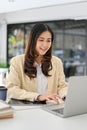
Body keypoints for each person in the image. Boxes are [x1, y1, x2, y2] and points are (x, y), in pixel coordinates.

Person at [6, 23, 68, 104]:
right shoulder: (17, 62)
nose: (45, 45)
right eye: (41, 40)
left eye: (48, 40)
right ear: (33, 40)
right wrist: (38, 96)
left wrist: (66, 95)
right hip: (28, 109)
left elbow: (62, 86)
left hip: (51, 108)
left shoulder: (57, 62)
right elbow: (11, 90)